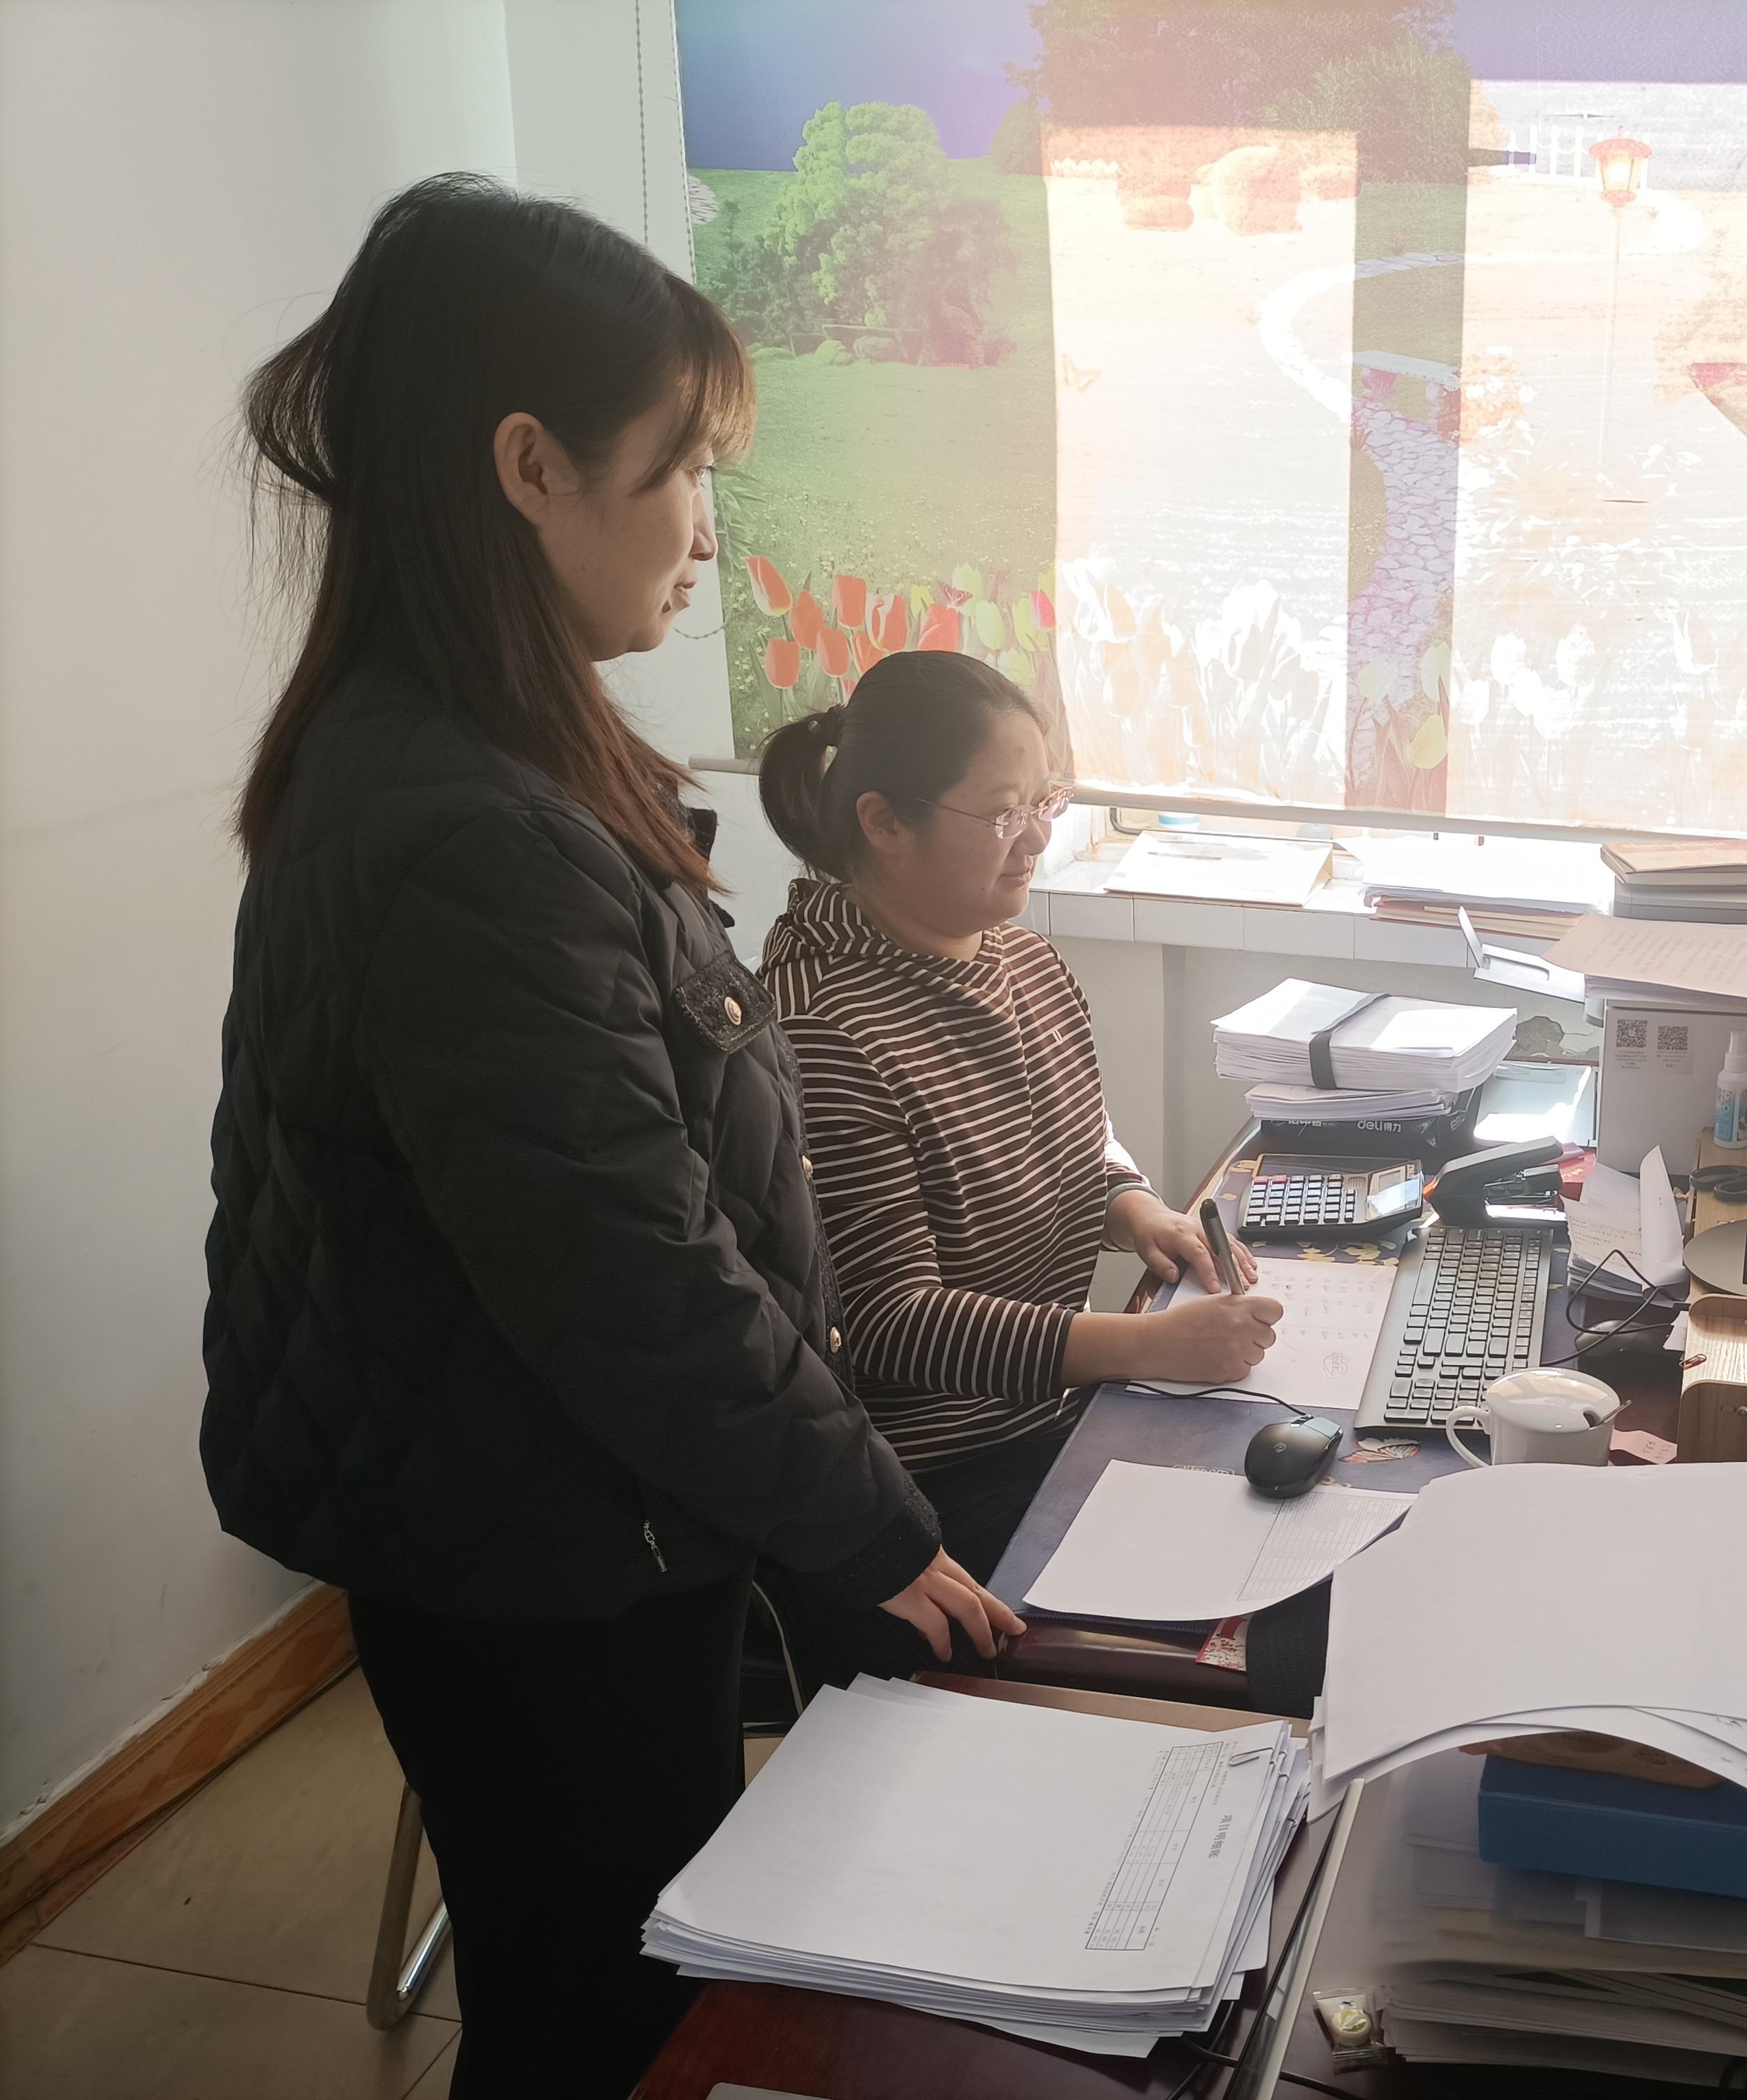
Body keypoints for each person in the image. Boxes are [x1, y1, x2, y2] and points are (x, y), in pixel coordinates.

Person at [199, 176, 1020, 2099]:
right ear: (530, 468)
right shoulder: (466, 830)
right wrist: (867, 1526)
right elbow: (631, 1265)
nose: (709, 532)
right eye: (683, 471)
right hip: (533, 1551)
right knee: (602, 2017)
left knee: (607, 1975)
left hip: (563, 1506)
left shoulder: (484, 746)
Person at [755, 652, 1282, 1681]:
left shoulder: (1016, 956)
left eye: (1046, 801)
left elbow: (1076, 1134)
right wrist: (1146, 1347)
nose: (1038, 838)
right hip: (939, 1479)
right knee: (1250, 1618)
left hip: (1050, 1416)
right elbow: (894, 1321)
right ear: (883, 822)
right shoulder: (824, 1029)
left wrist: (1133, 1204)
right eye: (1004, 813)